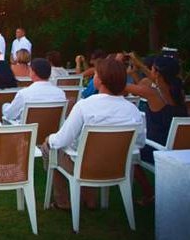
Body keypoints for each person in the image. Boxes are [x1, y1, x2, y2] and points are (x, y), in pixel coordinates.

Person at [43, 58, 145, 210]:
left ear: (100, 80)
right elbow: (139, 143)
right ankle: (89, 199)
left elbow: (61, 140)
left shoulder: (85, 106)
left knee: (51, 147)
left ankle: (63, 201)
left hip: (85, 166)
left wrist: (49, 139)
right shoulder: (133, 110)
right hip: (117, 167)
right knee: (80, 152)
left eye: (95, 74)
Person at [125, 55, 188, 205]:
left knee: (127, 150)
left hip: (158, 150)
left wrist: (112, 67)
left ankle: (149, 193)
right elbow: (155, 79)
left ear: (157, 73)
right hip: (179, 150)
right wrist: (138, 64)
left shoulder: (153, 94)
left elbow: (119, 86)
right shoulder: (179, 94)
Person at [2, 58, 66, 123]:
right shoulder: (60, 93)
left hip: (29, 132)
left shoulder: (24, 94)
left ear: (33, 72)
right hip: (53, 132)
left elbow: (9, 115)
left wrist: (5, 106)